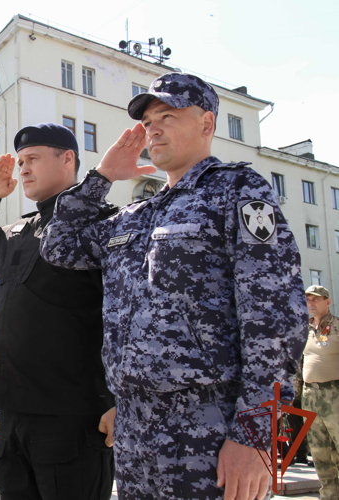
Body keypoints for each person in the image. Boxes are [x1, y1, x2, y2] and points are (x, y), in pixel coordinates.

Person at [39, 72, 307, 500]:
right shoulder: (135, 214)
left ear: (206, 124)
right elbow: (59, 246)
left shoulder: (236, 191)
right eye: (148, 121)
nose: (154, 128)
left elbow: (275, 317)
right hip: (134, 428)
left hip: (209, 425)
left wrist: (256, 435)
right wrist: (103, 176)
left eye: (167, 115)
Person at [0, 123, 116, 499]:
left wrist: (117, 400)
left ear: (67, 159)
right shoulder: (19, 232)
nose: (23, 169)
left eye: (32, 159)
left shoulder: (103, 223)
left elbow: (124, 314)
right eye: (21, 161)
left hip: (74, 416)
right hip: (16, 415)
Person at [298, 285, 339, 499]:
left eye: (316, 299)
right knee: (319, 451)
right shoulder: (304, 329)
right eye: (308, 300)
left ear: (328, 301)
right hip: (310, 396)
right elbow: (299, 362)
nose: (311, 304)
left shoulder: (337, 327)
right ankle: (329, 495)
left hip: (334, 395)